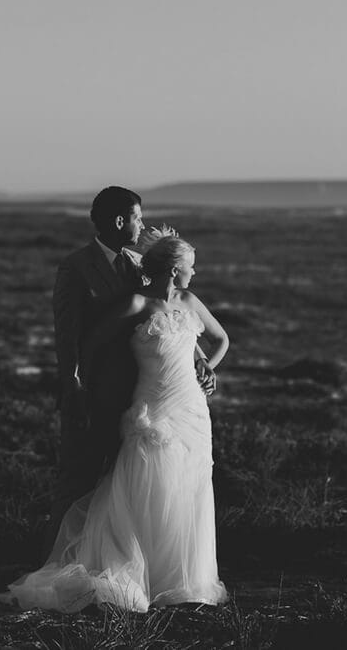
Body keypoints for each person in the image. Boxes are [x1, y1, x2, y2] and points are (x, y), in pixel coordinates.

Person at [0, 227, 229, 612]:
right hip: (153, 406)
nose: (194, 273)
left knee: (191, 485)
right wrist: (82, 386)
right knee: (148, 482)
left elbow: (220, 340)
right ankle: (140, 573)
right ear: (173, 270)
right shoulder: (136, 305)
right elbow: (92, 344)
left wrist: (206, 367)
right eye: (190, 267)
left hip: (191, 407)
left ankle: (181, 580)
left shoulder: (189, 301)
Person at [42, 187, 215, 560]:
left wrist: (198, 357)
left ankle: (118, 561)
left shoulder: (139, 263)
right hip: (95, 393)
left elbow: (164, 313)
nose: (143, 223)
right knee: (79, 478)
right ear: (121, 221)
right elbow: (68, 335)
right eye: (138, 217)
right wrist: (74, 387)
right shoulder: (76, 267)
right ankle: (55, 561)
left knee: (125, 487)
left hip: (139, 396)